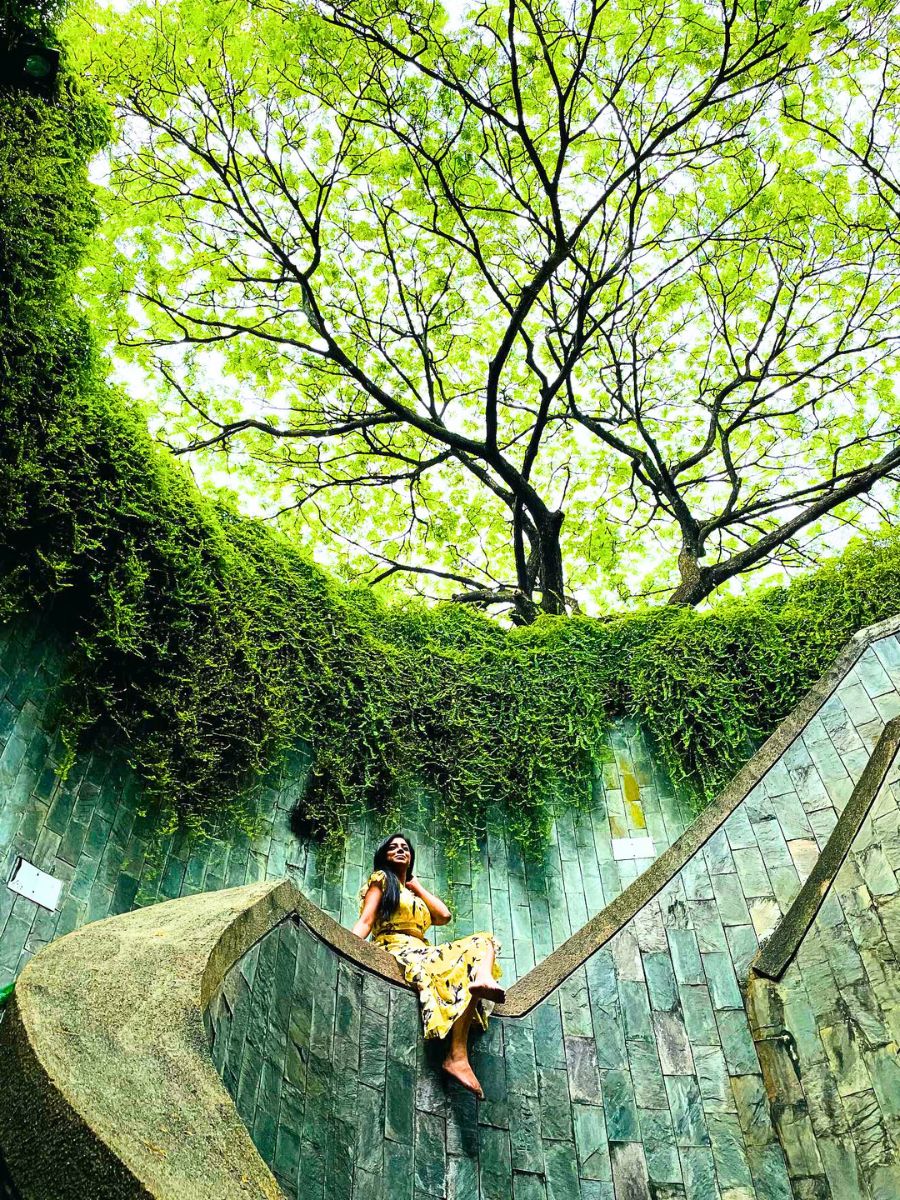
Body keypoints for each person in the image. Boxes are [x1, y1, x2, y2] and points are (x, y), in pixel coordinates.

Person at [351, 832, 505, 1099]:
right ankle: (457, 1055)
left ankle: (460, 1048)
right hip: (397, 948)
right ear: (383, 855)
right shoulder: (381, 880)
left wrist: (415, 884)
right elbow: (366, 920)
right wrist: (347, 947)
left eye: (405, 849)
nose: (400, 850)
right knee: (466, 960)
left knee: (484, 941)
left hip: (423, 949)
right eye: (393, 848)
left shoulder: (413, 894)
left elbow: (444, 916)